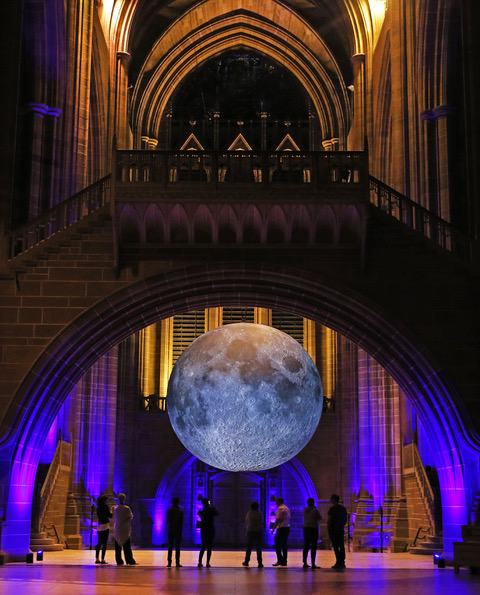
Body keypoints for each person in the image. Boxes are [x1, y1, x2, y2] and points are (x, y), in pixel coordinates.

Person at [113, 493, 137, 566]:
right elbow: (131, 516)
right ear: (124, 499)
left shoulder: (115, 509)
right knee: (127, 546)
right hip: (125, 528)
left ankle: (119, 560)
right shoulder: (127, 508)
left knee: (118, 546)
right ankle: (129, 560)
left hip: (117, 528)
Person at [327, 493, 348, 569]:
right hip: (340, 529)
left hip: (333, 530)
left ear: (333, 500)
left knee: (335, 546)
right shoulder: (343, 508)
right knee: (341, 546)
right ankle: (342, 561)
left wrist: (328, 528)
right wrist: (342, 525)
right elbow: (345, 519)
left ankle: (338, 561)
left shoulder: (332, 509)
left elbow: (329, 519)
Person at [198, 498, 218, 568]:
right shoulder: (211, 511)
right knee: (209, 547)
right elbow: (216, 513)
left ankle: (200, 562)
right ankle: (207, 563)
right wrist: (211, 506)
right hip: (210, 530)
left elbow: (200, 514)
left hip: (204, 530)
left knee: (203, 547)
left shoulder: (201, 512)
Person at [242, 501, 264, 568]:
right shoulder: (260, 513)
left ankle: (246, 561)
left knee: (249, 547)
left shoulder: (249, 513)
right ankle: (260, 563)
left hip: (250, 531)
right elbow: (261, 520)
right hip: (258, 531)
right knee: (258, 548)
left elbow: (247, 521)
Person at [271, 497, 290, 567]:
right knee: (284, 545)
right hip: (287, 528)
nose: (275, 503)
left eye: (276, 501)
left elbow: (278, 520)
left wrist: (273, 529)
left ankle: (280, 560)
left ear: (279, 501)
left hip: (282, 529)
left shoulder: (280, 509)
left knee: (277, 545)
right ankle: (284, 561)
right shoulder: (286, 508)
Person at [166, 496, 184, 567]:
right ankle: (177, 562)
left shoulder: (169, 510)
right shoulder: (180, 511)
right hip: (178, 530)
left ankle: (169, 562)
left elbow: (168, 521)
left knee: (170, 547)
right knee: (177, 547)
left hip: (171, 530)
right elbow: (181, 522)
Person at [95, 495, 112, 564]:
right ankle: (102, 559)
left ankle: (97, 558)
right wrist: (111, 510)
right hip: (105, 525)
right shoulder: (105, 507)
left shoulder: (98, 507)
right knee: (104, 543)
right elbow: (110, 516)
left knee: (99, 542)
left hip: (99, 525)